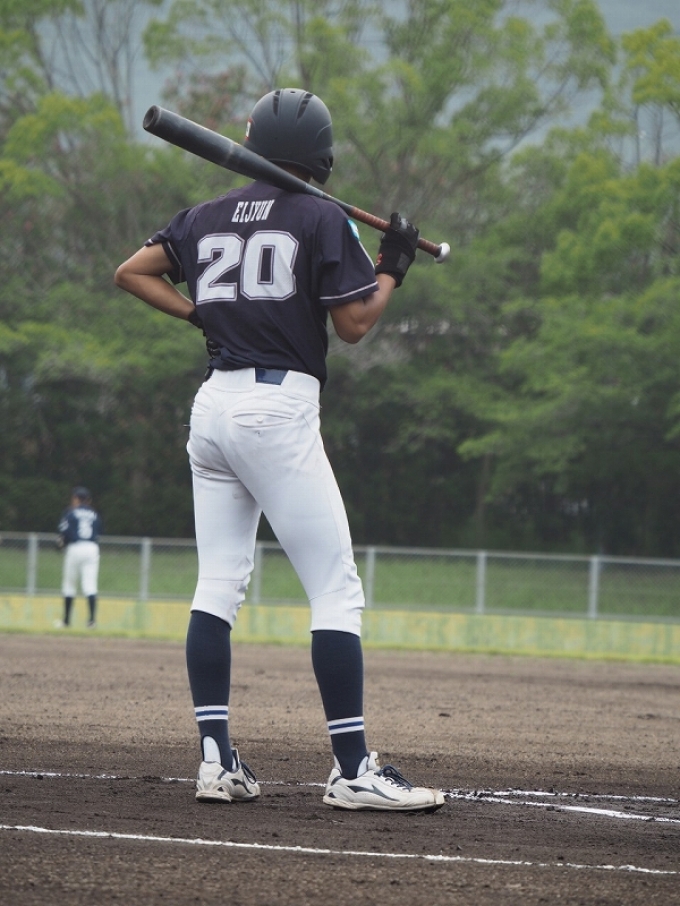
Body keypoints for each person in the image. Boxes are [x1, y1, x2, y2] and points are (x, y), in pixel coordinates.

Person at [114, 87, 445, 812]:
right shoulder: (322, 215)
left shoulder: (203, 216)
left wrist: (199, 312)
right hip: (277, 409)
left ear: (252, 142)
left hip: (213, 408)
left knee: (217, 584)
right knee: (335, 589)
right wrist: (393, 267)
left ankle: (216, 762)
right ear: (321, 157)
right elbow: (354, 324)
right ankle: (353, 768)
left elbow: (131, 272)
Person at [56, 486, 103, 628]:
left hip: (75, 547)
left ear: (76, 498)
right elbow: (99, 532)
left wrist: (61, 544)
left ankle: (66, 621)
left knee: (69, 585)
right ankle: (92, 621)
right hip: (92, 548)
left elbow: (64, 532)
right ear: (88, 500)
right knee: (90, 586)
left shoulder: (70, 512)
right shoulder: (94, 514)